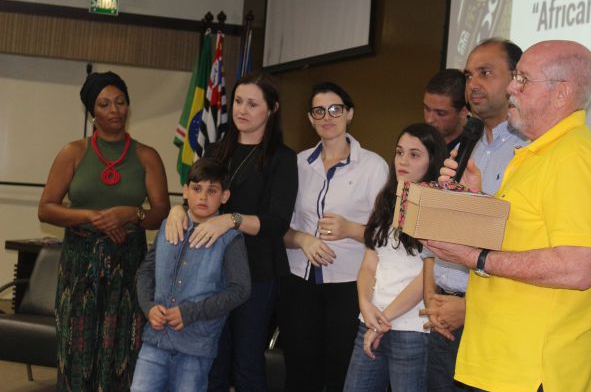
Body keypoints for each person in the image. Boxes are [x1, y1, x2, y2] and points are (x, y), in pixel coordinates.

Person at [427, 40, 591, 392]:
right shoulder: (538, 155)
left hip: (534, 372)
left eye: (523, 80)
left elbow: (577, 267)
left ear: (561, 93)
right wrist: (475, 200)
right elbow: (522, 236)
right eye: (515, 77)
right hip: (501, 364)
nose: (511, 89)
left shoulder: (573, 158)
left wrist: (477, 258)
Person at [165, 72, 298, 392]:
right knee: (212, 360)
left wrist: (231, 220)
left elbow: (276, 223)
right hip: (211, 270)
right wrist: (177, 209)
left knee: (247, 364)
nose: (242, 110)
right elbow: (196, 196)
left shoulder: (282, 158)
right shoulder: (215, 150)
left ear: (272, 109)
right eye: (238, 101)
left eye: (252, 104)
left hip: (257, 272)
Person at [38, 71, 170, 391]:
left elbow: (161, 213)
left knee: (123, 346)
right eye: (104, 104)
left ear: (128, 106)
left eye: (120, 102)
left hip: (128, 264)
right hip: (79, 264)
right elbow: (46, 208)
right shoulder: (73, 152)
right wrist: (91, 217)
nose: (114, 110)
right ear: (92, 111)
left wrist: (132, 214)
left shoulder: (147, 156)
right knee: (76, 348)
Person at [421, 38, 527, 392]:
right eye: (469, 75)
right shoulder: (467, 146)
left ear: (516, 79)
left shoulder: (529, 152)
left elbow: (522, 245)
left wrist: (471, 308)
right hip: (444, 316)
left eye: (485, 73)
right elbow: (443, 230)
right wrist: (432, 297)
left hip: (493, 321)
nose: (473, 84)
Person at [278, 82, 388, 392]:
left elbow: (387, 235)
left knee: (340, 374)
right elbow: (277, 227)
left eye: (335, 109)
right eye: (319, 111)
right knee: (299, 373)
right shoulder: (296, 164)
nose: (327, 116)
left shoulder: (373, 167)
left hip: (348, 286)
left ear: (349, 113)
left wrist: (350, 230)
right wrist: (303, 239)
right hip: (298, 283)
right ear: (310, 119)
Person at [342, 123, 448, 392]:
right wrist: (365, 304)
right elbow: (369, 263)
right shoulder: (387, 199)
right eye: (399, 152)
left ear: (432, 161)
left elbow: (426, 277)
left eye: (414, 155)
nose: (403, 160)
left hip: (412, 328)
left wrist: (383, 320)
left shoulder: (439, 207)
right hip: (371, 319)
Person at [131, 158, 250, 392]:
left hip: (196, 347)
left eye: (212, 191)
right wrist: (148, 307)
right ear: (185, 191)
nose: (203, 197)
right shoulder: (169, 225)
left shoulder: (230, 239)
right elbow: (146, 271)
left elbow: (241, 289)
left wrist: (191, 313)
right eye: (197, 189)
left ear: (224, 196)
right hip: (155, 340)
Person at [423, 68, 469, 151]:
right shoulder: (419, 141)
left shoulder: (475, 148)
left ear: (463, 111)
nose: (429, 120)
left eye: (440, 113)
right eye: (427, 109)